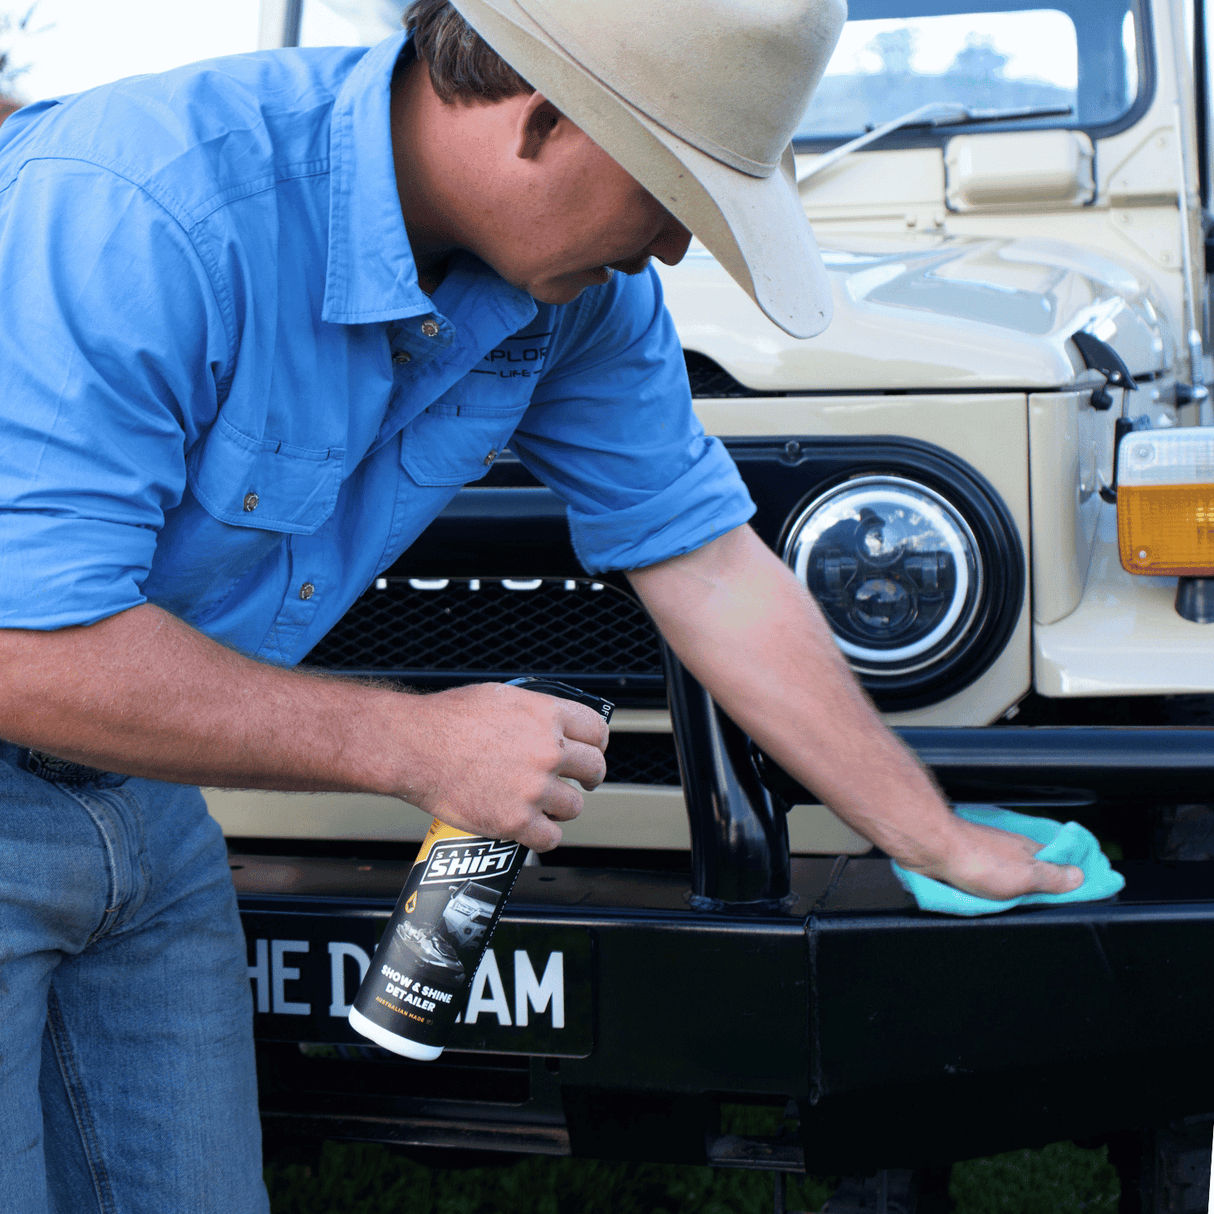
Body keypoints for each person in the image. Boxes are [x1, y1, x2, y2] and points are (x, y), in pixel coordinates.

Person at [0, 0, 1083, 1208]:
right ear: (544, 114)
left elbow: (710, 565)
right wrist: (414, 740)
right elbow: (22, 649)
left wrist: (930, 835)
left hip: (145, 806)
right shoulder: (139, 208)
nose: (674, 248)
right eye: (674, 191)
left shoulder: (576, 297)